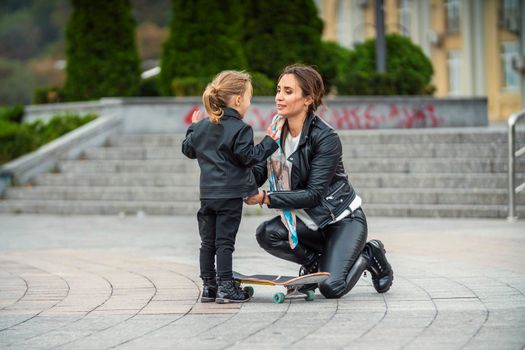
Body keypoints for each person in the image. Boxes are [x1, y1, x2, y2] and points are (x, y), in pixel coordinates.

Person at [244, 64, 394, 299]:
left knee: (331, 288)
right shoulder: (276, 131)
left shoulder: (325, 138)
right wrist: (231, 167)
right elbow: (258, 174)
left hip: (341, 221)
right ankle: (317, 265)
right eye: (278, 90)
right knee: (267, 233)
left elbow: (313, 194)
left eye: (288, 91)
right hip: (307, 222)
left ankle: (368, 253)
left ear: (307, 99)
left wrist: (265, 198)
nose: (279, 97)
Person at [182, 71, 279, 303]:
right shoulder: (240, 128)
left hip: (207, 196)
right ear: (237, 100)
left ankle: (209, 287)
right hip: (229, 196)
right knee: (225, 242)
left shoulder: (201, 127)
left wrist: (192, 128)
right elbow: (249, 157)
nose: (248, 103)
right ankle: (226, 286)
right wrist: (270, 141)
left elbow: (188, 150)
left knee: (207, 242)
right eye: (248, 98)